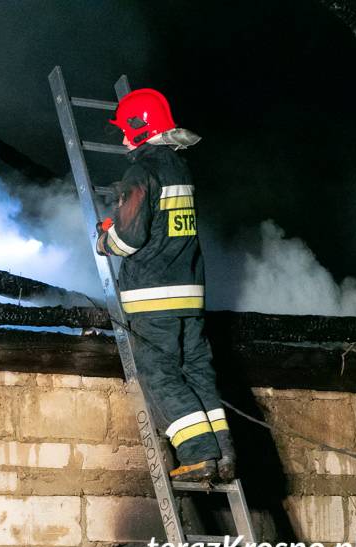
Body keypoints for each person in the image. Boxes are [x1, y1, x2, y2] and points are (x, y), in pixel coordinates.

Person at [96, 88, 236, 482]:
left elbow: (129, 240)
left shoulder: (141, 172)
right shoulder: (179, 168)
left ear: (142, 129)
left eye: (126, 131)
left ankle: (197, 455)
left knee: (158, 372)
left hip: (153, 296)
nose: (124, 140)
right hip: (189, 295)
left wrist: (106, 236)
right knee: (196, 371)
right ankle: (224, 455)